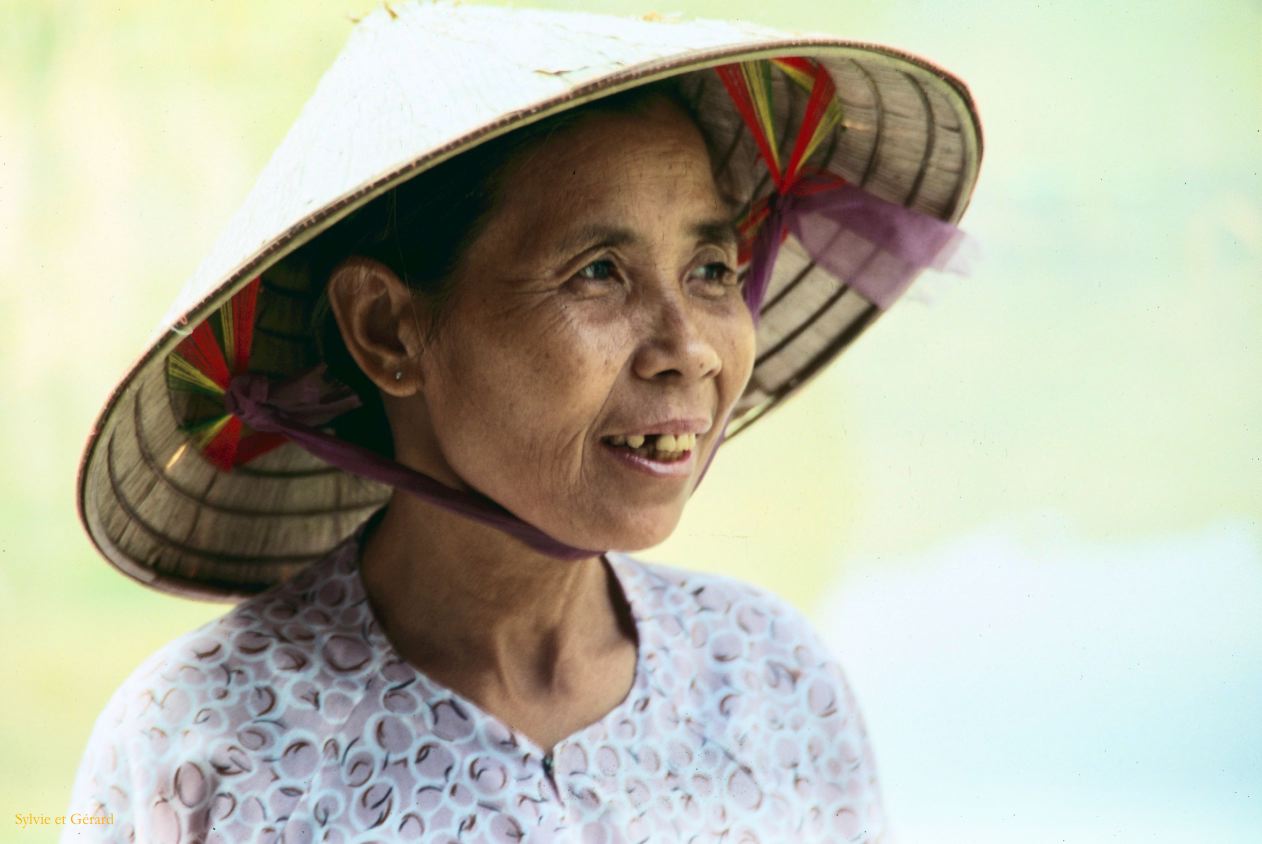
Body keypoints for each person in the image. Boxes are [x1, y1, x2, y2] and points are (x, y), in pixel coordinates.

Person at [67, 3, 980, 841]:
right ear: (389, 329)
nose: (691, 349)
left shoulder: (769, 680)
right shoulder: (204, 750)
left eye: (710, 269)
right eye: (598, 273)